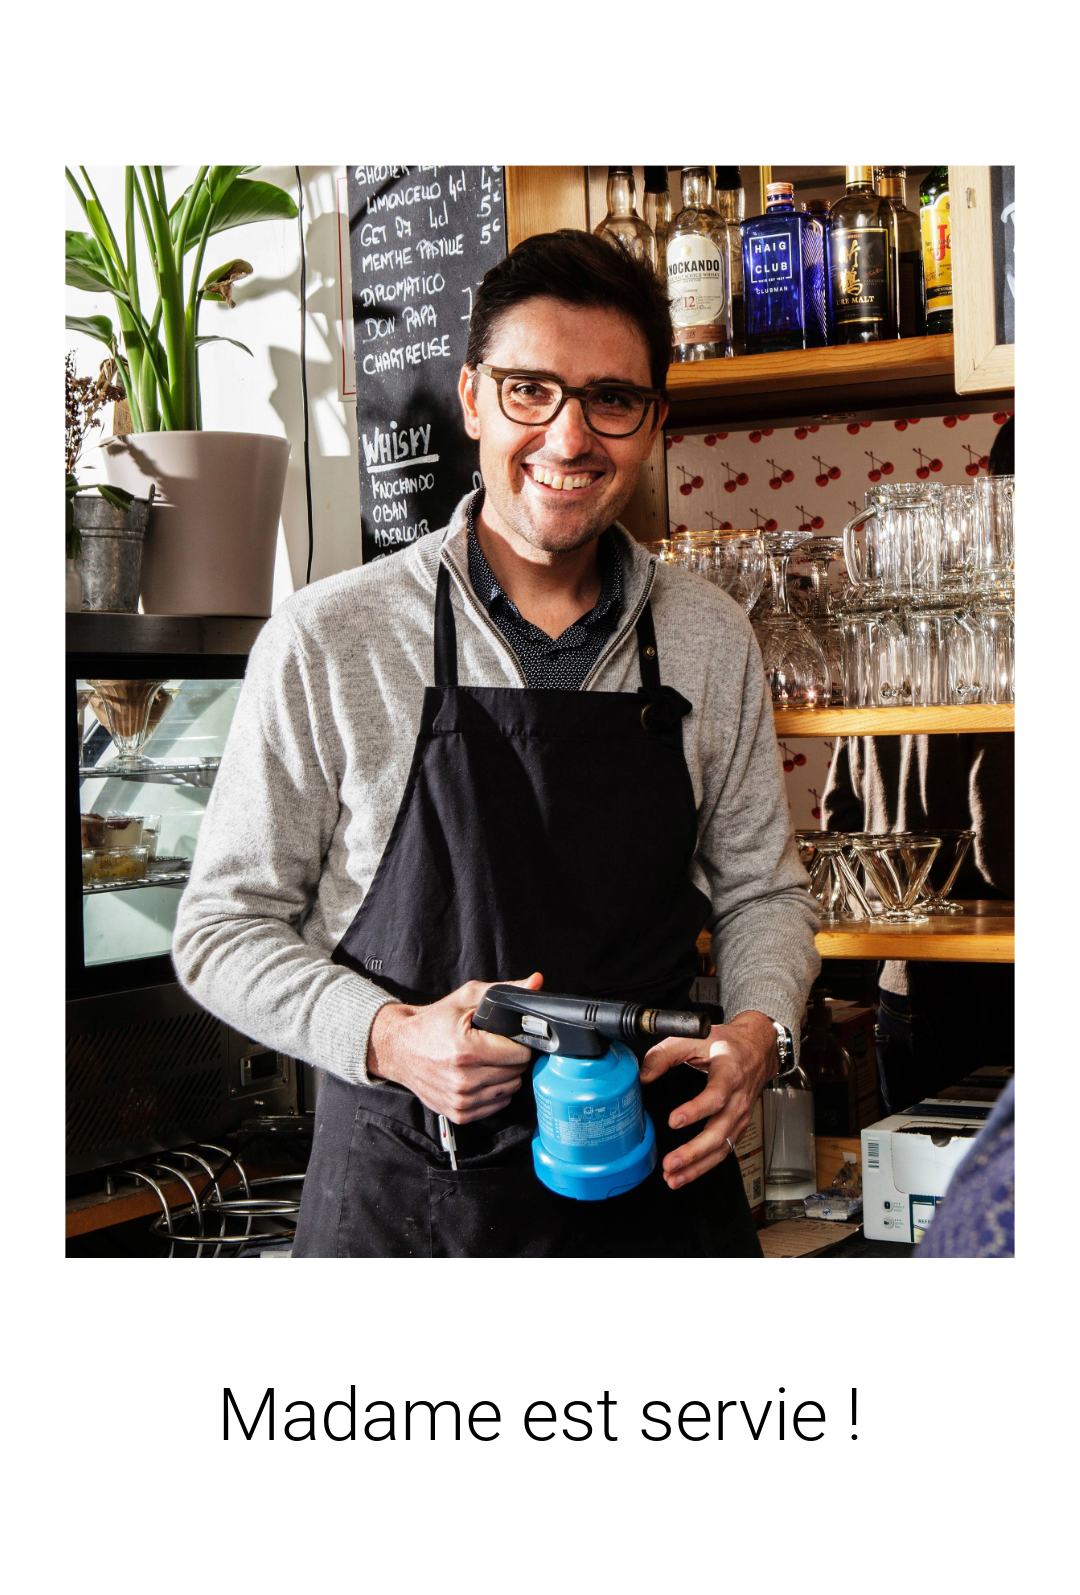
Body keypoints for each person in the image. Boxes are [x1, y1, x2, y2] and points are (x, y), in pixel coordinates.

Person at [174, 230, 820, 1258]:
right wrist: (390, 1037)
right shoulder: (328, 634)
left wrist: (761, 1032)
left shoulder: (707, 635)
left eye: (612, 399)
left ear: (653, 422)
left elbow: (762, 891)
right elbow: (220, 928)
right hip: (409, 1208)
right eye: (531, 390)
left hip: (657, 1201)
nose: (569, 438)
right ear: (473, 398)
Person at [823, 417, 1015, 1111]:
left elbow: (839, 810)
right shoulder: (1003, 622)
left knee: (925, 1211)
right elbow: (1003, 855)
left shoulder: (892, 621)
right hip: (996, 974)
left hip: (903, 976)